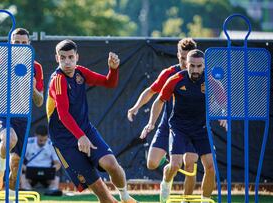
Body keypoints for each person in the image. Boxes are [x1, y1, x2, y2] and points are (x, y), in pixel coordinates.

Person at [46, 39, 137, 203]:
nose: (67, 62)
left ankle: (125, 196)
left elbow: (109, 83)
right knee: (104, 196)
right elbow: (63, 114)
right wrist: (80, 137)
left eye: (71, 57)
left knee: (111, 164)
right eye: (63, 58)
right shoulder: (57, 80)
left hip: (85, 130)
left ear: (77, 57)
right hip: (64, 140)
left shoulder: (80, 72)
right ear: (56, 58)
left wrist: (113, 69)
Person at [140, 49, 226, 203]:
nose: (195, 70)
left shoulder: (211, 80)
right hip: (179, 128)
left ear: (204, 66)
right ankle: (166, 182)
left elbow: (224, 101)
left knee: (211, 167)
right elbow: (159, 101)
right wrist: (151, 122)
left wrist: (224, 114)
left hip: (201, 129)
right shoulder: (176, 79)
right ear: (186, 64)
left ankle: (205, 200)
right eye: (192, 66)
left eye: (199, 66)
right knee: (175, 164)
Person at [127, 38, 198, 197]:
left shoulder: (201, 76)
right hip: (169, 124)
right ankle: (167, 177)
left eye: (189, 59)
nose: (186, 64)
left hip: (192, 127)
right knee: (152, 164)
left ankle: (186, 200)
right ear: (178, 55)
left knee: (190, 163)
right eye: (182, 58)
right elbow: (151, 91)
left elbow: (218, 96)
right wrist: (136, 107)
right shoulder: (170, 74)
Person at [0, 28, 44, 196]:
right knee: (10, 138)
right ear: (10, 43)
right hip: (1, 112)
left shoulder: (36, 67)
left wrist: (33, 88)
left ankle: (12, 195)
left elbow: (39, 101)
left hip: (22, 115)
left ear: (29, 44)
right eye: (16, 43)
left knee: (16, 164)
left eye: (23, 43)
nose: (20, 46)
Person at [20, 125, 62, 195]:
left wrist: (52, 169)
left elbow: (58, 163)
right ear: (35, 135)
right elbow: (19, 161)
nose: (43, 142)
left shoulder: (51, 144)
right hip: (29, 172)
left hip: (47, 173)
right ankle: (27, 191)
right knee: (23, 177)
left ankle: (52, 192)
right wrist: (24, 168)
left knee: (56, 178)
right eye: (40, 140)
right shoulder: (28, 143)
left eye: (45, 140)